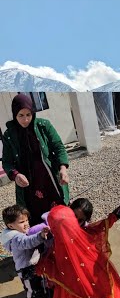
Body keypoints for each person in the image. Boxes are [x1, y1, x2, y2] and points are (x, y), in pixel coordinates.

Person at [2, 93, 70, 225]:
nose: (25, 119)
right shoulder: (9, 134)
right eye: (21, 115)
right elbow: (7, 162)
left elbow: (59, 147)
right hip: (28, 185)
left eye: (28, 114)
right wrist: (15, 175)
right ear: (14, 115)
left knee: (60, 215)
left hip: (48, 179)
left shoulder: (43, 126)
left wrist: (63, 168)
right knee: (34, 218)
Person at [0, 204, 50, 298]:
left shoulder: (19, 233)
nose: (26, 224)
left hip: (32, 265)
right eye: (22, 222)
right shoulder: (16, 238)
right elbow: (27, 242)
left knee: (39, 285)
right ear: (11, 226)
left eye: (27, 220)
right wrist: (40, 236)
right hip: (26, 269)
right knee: (32, 290)